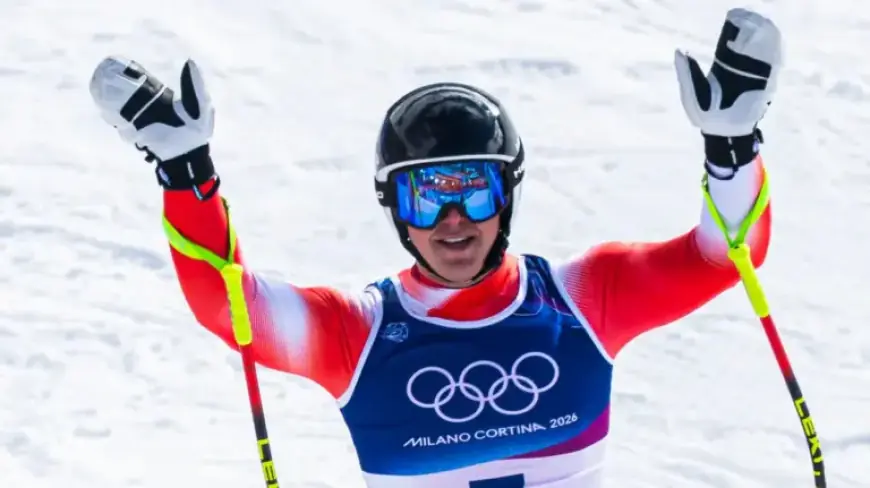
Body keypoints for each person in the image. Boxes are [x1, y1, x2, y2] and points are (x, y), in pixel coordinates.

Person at [88, 7, 782, 487]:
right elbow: (227, 304)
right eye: (426, 196)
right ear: (395, 208)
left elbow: (724, 257)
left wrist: (732, 152)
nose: (453, 220)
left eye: (475, 190)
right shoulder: (356, 335)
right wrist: (187, 175)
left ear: (506, 194)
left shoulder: (585, 300)